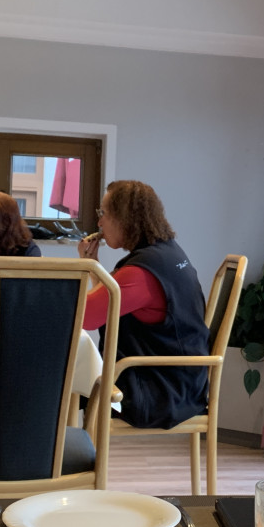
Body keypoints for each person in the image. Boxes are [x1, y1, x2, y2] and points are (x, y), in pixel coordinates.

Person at [77, 180, 209, 429]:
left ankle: (64, 451)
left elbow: (84, 317)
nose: (99, 223)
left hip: (158, 391)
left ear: (124, 219)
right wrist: (92, 265)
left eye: (104, 213)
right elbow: (113, 300)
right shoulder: (168, 253)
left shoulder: (141, 272)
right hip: (185, 383)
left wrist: (84, 269)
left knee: (68, 382)